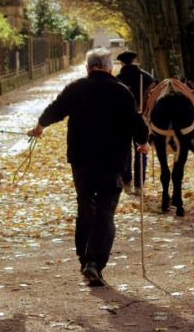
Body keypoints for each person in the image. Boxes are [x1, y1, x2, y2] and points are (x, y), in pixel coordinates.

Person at [27, 47, 149, 287]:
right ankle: (94, 263)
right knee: (105, 211)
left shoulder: (76, 88)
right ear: (108, 67)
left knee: (85, 204)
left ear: (88, 67)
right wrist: (143, 142)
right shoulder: (121, 91)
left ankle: (84, 258)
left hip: (81, 160)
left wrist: (40, 126)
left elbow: (55, 109)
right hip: (112, 162)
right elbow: (136, 122)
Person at [116, 50, 157, 195]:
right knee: (142, 150)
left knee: (125, 150)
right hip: (142, 118)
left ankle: (127, 181)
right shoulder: (147, 77)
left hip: (123, 120)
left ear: (121, 62)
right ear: (134, 60)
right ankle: (139, 185)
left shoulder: (118, 79)